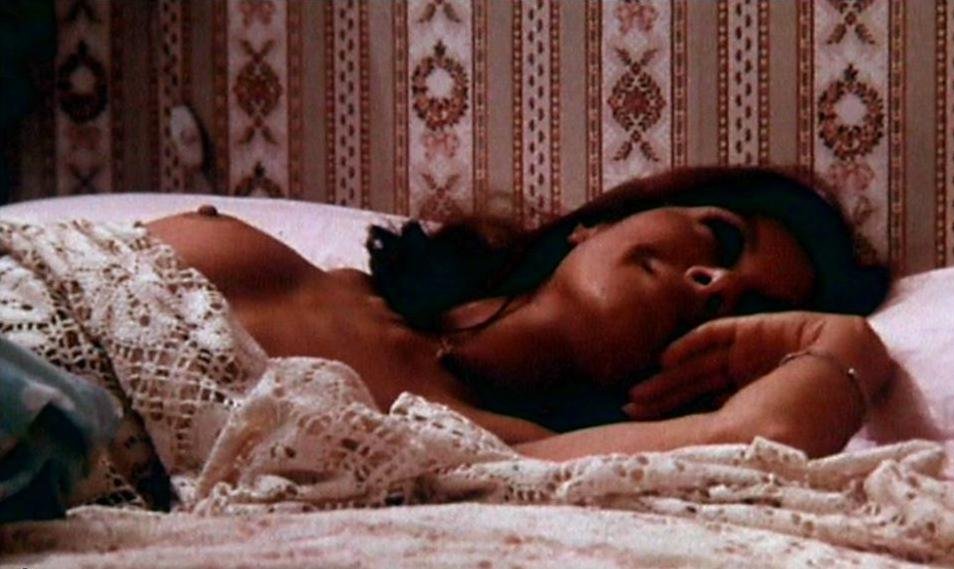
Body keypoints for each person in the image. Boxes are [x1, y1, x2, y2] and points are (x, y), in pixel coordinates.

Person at [143, 166, 895, 462]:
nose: (716, 282)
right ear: (596, 225)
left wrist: (838, 338)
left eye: (752, 307)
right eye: (721, 239)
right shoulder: (305, 273)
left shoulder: (505, 448)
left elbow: (766, 435)